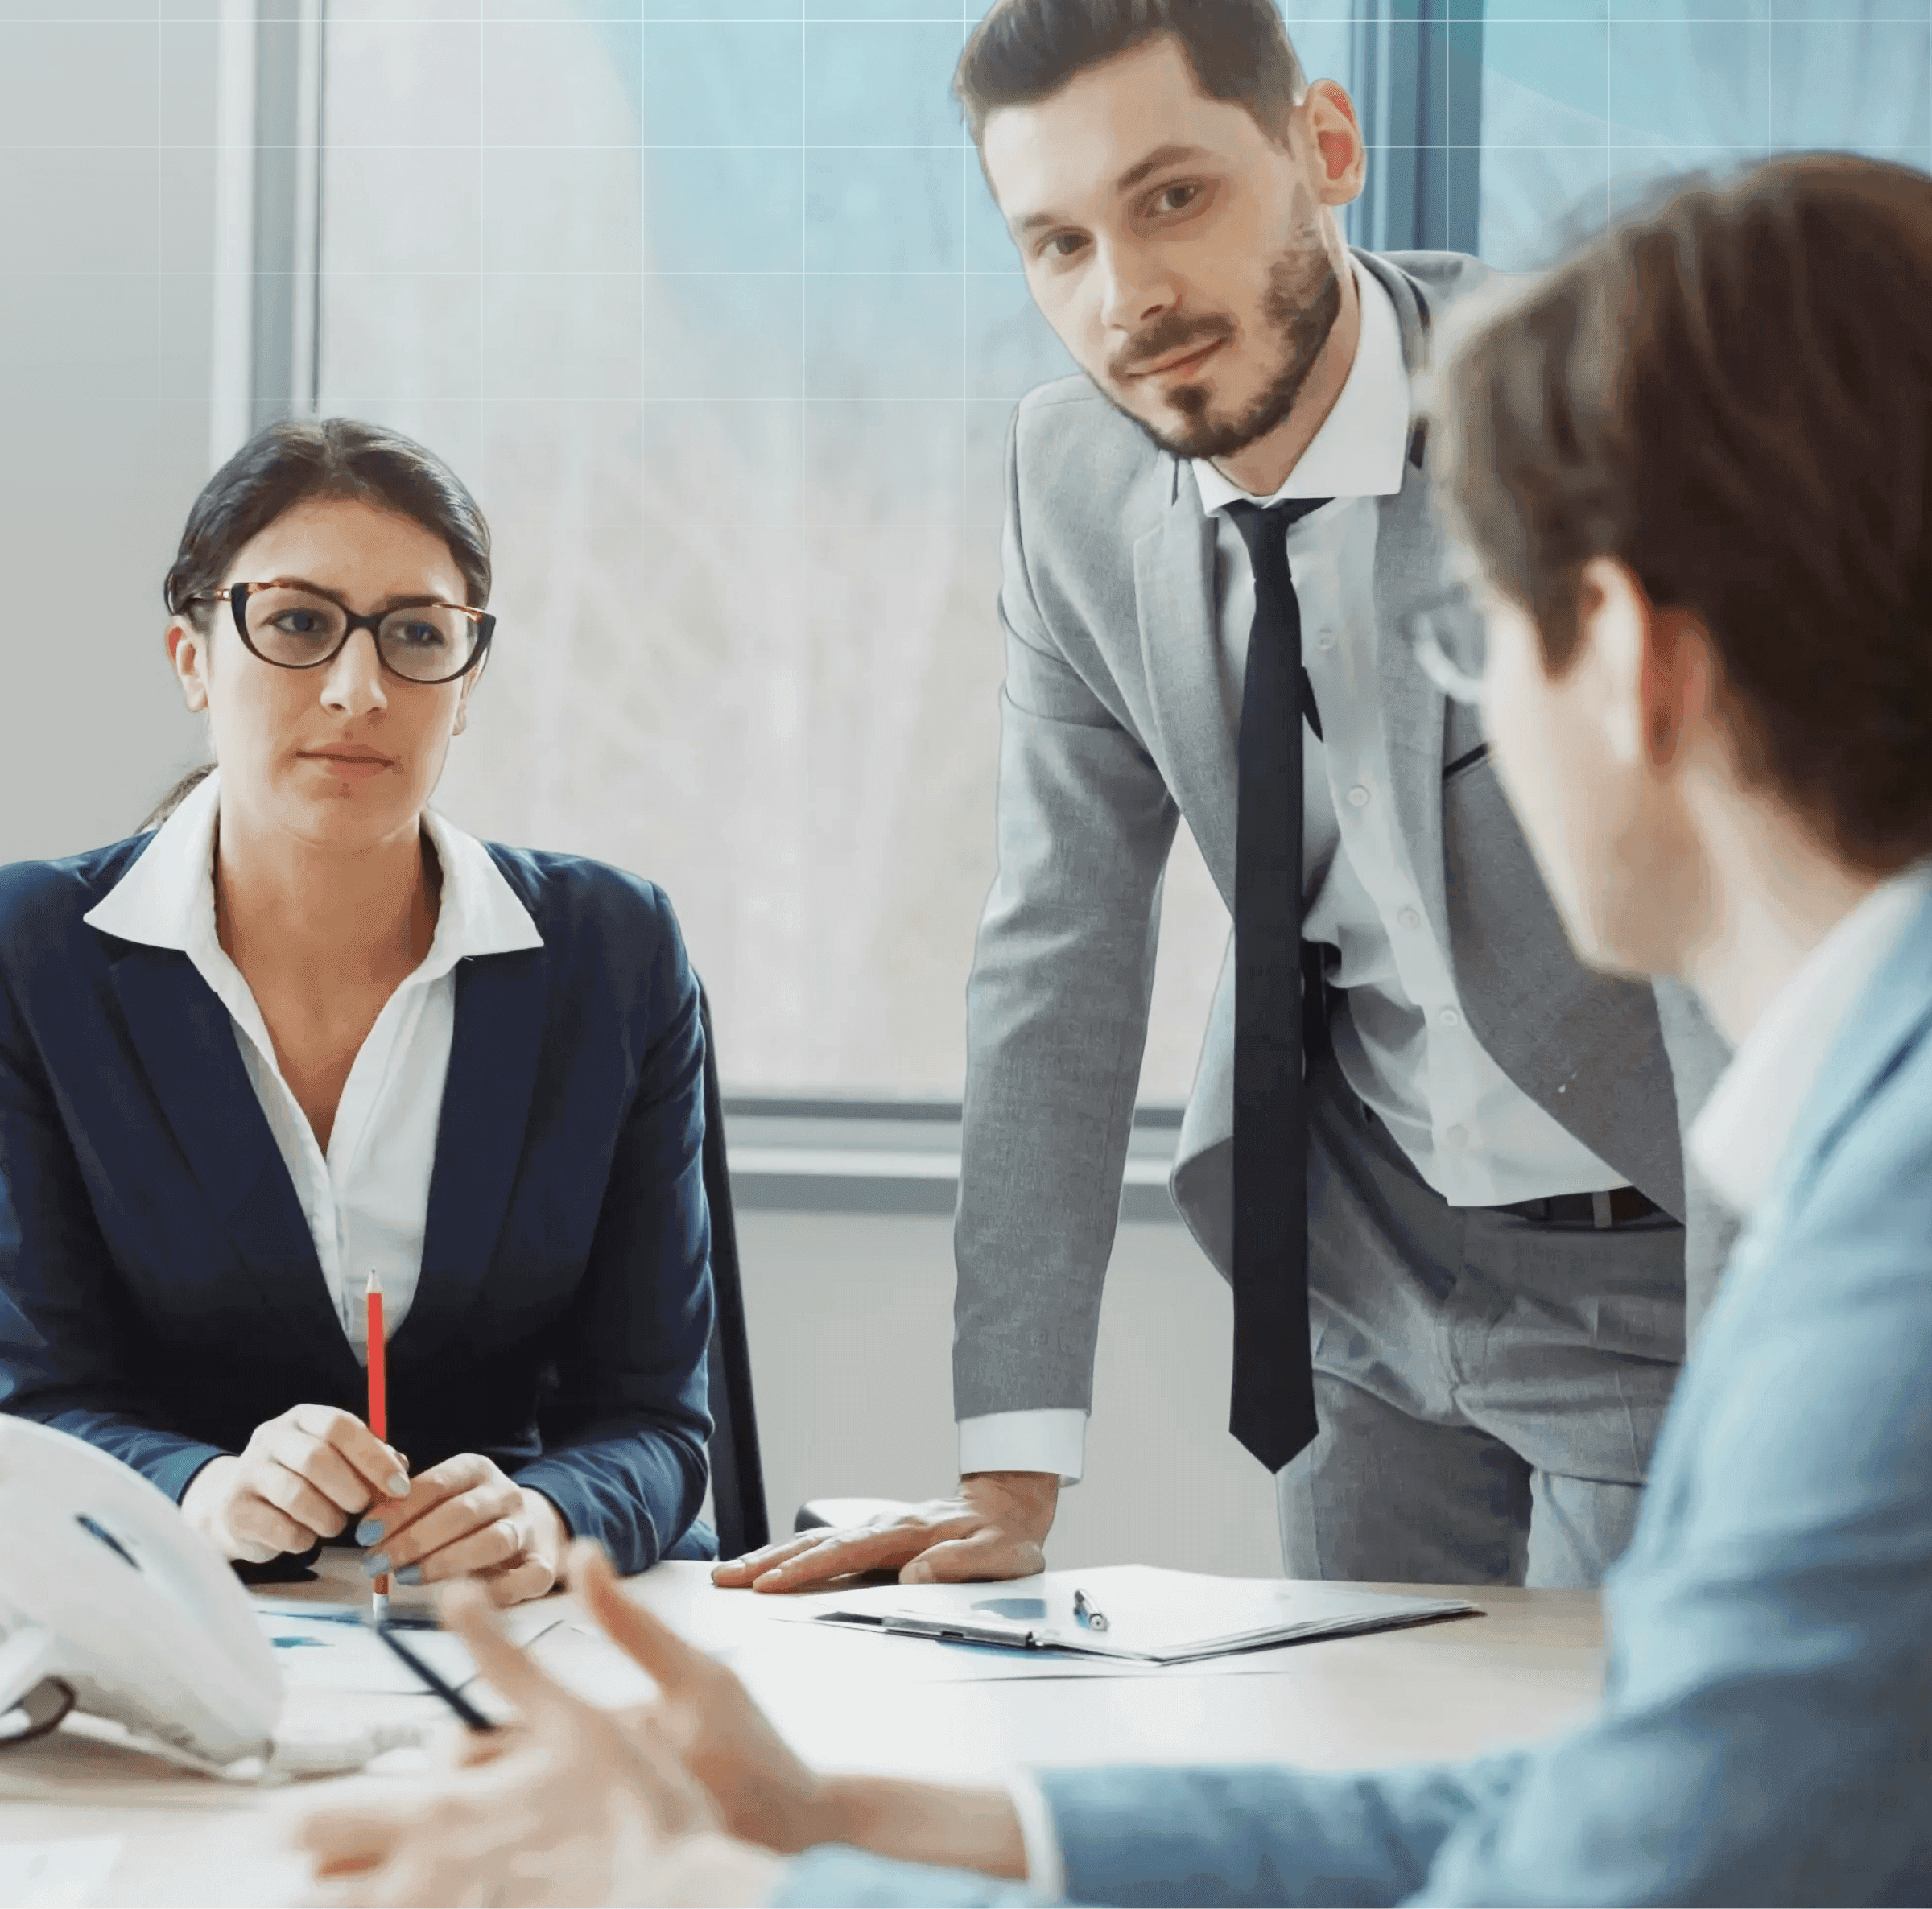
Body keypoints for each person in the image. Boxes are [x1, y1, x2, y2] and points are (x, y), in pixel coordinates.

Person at [299, 150, 1932, 1905]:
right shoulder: (1865, 1142)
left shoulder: (1887, 1262)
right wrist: (846, 1821)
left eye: (1481, 646)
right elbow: (1584, 1818)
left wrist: (719, 1898)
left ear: (1623, 661)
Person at [722, 0, 1724, 1600]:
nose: (1127, 295)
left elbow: (1741, 898)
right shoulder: (1070, 487)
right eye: (1059, 242)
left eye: (1173, 196)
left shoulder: (1572, 412)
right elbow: (1056, 954)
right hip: (1363, 1267)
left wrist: (1795, 1359)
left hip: (1659, 1256)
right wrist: (1012, 1479)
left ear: (1324, 147)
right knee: (1358, 1765)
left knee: (1662, 1817)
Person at [0, 418, 712, 1598]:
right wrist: (201, 1489)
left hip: (528, 1628)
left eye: (419, 636)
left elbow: (656, 1420)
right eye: (296, 623)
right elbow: (30, 1400)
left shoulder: (612, 951)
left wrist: (544, 1515)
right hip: (187, 1621)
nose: (357, 688)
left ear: (467, 682)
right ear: (192, 660)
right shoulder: (37, 956)